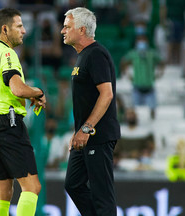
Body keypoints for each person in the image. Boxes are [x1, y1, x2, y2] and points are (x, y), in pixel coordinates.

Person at [0, 8, 46, 216]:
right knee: (32, 187)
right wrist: (38, 91)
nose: (24, 31)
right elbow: (17, 88)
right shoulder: (7, 53)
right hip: (9, 124)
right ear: (5, 29)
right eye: (19, 26)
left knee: (3, 193)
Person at [61, 7, 121, 216]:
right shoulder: (83, 56)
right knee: (73, 184)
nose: (62, 30)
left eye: (67, 26)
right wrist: (79, 131)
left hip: (97, 134)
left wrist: (86, 129)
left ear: (82, 30)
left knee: (102, 195)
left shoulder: (96, 54)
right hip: (84, 136)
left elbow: (107, 94)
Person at [121, 35, 164, 118]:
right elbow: (123, 61)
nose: (142, 43)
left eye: (143, 41)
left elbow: (161, 61)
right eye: (140, 41)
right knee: (135, 111)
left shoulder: (152, 53)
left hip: (150, 87)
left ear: (147, 42)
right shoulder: (133, 53)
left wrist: (160, 74)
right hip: (137, 87)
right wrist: (126, 75)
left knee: (153, 111)